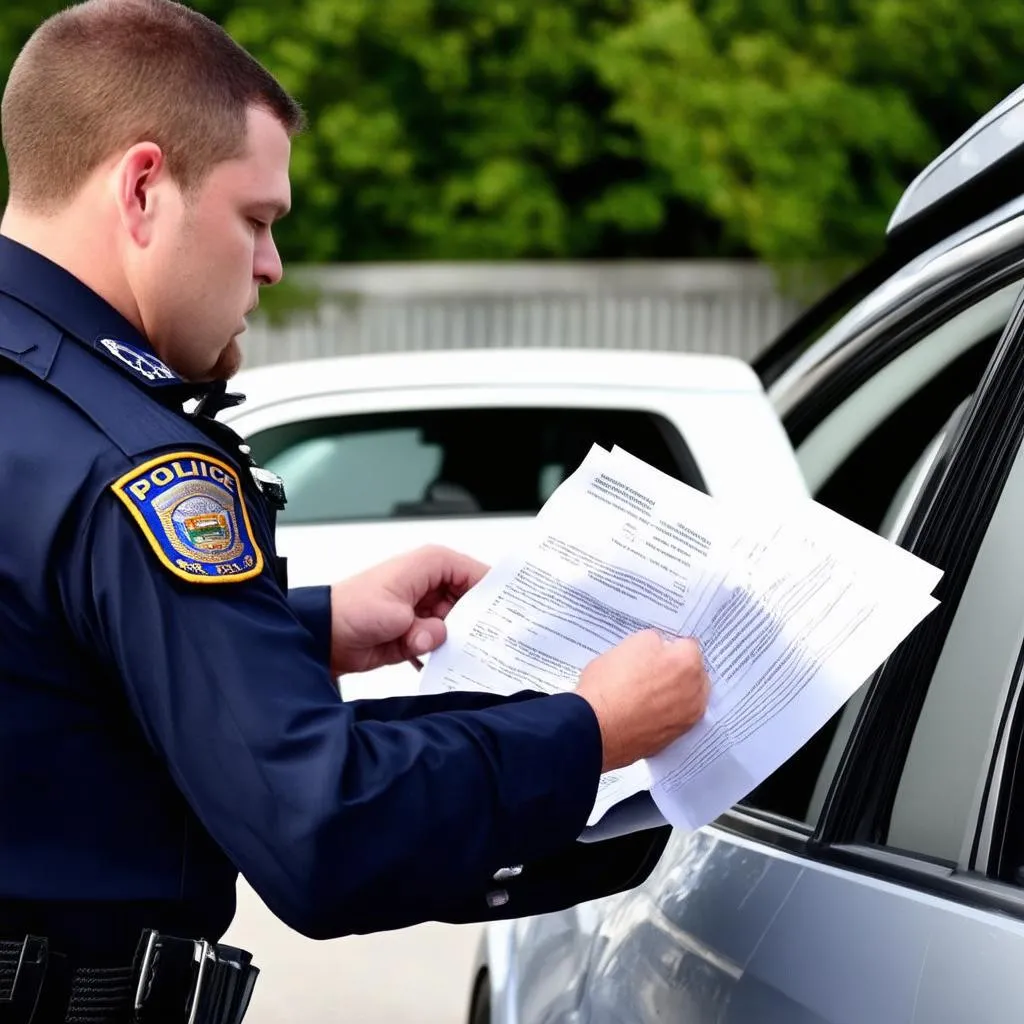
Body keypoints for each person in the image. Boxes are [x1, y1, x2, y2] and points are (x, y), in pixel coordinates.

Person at [0, 1, 711, 1020]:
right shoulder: (131, 462)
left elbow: (39, 652)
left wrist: (313, 625)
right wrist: (590, 731)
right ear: (144, 186)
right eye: (257, 219)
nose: (270, 265)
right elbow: (322, 827)